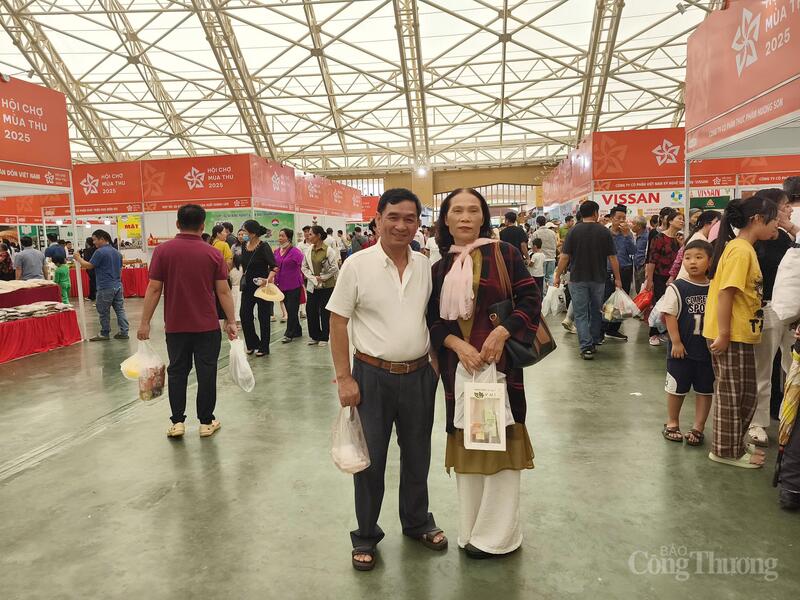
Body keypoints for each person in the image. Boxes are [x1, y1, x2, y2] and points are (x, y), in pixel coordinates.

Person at [327, 188, 446, 571]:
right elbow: (338, 322)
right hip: (371, 377)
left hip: (418, 377)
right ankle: (365, 535)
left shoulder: (426, 265)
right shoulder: (356, 265)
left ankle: (416, 522)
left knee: (417, 455)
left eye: (409, 218)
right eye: (392, 217)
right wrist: (344, 378)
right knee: (370, 460)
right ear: (377, 219)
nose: (401, 225)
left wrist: (434, 362)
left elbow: (432, 318)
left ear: (418, 223)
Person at [428, 187, 540, 559]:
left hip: (499, 371)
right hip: (460, 373)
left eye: (472, 210)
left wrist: (501, 331)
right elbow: (433, 321)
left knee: (501, 446)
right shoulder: (439, 267)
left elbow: (530, 299)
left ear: (483, 216)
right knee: (470, 447)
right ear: (445, 218)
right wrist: (458, 347)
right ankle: (471, 529)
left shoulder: (504, 253)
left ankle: (498, 536)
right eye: (456, 210)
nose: (464, 217)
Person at [137, 204, 237, 439]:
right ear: (203, 226)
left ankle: (177, 422)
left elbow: (153, 289)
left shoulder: (163, 251)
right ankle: (205, 422)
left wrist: (144, 322)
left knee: (178, 372)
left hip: (176, 326)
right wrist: (231, 320)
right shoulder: (213, 253)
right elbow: (223, 291)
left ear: (177, 224)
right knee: (206, 373)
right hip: (206, 326)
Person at [704, 196, 779, 469]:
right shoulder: (740, 250)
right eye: (774, 220)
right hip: (730, 334)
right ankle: (725, 450)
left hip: (738, 333)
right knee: (732, 395)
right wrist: (724, 333)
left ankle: (733, 444)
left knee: (744, 393)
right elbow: (727, 293)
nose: (778, 226)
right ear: (757, 219)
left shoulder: (742, 248)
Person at [750, 189, 798, 447]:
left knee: (792, 366)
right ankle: (757, 422)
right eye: (785, 206)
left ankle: (791, 416)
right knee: (763, 368)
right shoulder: (755, 240)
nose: (790, 209)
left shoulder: (788, 237)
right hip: (766, 309)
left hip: (791, 312)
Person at [660, 240, 714, 447]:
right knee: (676, 388)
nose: (692, 262)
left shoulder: (715, 287)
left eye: (699, 257)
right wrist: (676, 342)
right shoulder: (677, 287)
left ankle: (698, 427)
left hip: (706, 352)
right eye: (688, 258)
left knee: (705, 390)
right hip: (681, 351)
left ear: (709, 261)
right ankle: (672, 422)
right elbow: (670, 314)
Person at [553, 201, 622, 360]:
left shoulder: (573, 231)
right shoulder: (604, 232)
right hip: (599, 278)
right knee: (596, 310)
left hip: (577, 279)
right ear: (595, 213)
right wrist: (618, 278)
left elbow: (564, 256)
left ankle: (586, 347)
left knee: (580, 313)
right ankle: (595, 339)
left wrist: (557, 276)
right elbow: (612, 258)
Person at [73, 230, 129, 341]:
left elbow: (89, 266)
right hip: (117, 285)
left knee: (103, 311)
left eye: (95, 239)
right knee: (120, 310)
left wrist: (78, 258)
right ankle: (124, 331)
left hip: (105, 286)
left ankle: (104, 333)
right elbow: (120, 270)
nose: (94, 242)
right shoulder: (116, 252)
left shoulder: (100, 252)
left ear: (102, 239)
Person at [645, 209, 684, 346]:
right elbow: (652, 260)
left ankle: (666, 331)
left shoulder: (680, 239)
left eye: (682, 219)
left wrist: (681, 244)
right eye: (679, 218)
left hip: (676, 277)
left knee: (672, 305)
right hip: (660, 277)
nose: (682, 221)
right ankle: (653, 333)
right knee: (659, 305)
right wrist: (649, 280)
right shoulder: (659, 238)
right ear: (670, 221)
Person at [239, 219, 277, 357]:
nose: (243, 233)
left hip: (262, 287)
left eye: (245, 230)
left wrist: (267, 279)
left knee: (263, 317)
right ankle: (252, 343)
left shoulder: (263, 246)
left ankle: (264, 347)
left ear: (253, 233)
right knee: (244, 314)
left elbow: (274, 267)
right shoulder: (244, 245)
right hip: (248, 286)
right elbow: (244, 263)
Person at [602, 205, 636, 342]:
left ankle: (614, 329)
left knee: (622, 301)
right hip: (609, 271)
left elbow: (633, 251)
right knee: (609, 301)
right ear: (611, 218)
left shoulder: (627, 234)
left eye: (624, 218)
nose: (621, 221)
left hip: (625, 269)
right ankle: (605, 327)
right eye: (618, 218)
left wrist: (627, 235)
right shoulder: (605, 234)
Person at [301, 225, 339, 347]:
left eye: (311, 234)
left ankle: (325, 336)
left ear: (318, 236)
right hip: (313, 285)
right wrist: (313, 278)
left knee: (325, 312)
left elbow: (334, 268)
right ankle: (314, 336)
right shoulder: (308, 250)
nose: (308, 236)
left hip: (327, 286)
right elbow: (304, 267)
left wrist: (322, 277)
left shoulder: (329, 251)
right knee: (311, 310)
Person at [668, 210, 721, 283]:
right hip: (689, 282)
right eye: (716, 222)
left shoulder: (697, 236)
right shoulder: (699, 239)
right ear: (706, 223)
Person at [273, 228, 304, 343]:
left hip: (294, 285)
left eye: (282, 236)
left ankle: (289, 333)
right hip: (281, 286)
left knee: (292, 310)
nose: (280, 238)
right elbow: (273, 266)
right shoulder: (276, 251)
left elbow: (304, 265)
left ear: (289, 238)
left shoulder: (295, 252)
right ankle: (297, 330)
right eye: (279, 236)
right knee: (289, 309)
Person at [533, 216, 558, 287]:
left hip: (541, 258)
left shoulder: (536, 233)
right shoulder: (552, 233)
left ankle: (544, 295)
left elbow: (532, 245)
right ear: (545, 222)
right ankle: (551, 294)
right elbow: (556, 244)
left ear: (537, 223)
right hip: (552, 257)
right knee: (550, 276)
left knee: (542, 276)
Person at [631, 216, 649, 291]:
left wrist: (644, 264)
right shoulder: (634, 236)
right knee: (638, 289)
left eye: (633, 224)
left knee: (644, 290)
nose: (631, 226)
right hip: (636, 266)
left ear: (639, 226)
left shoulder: (647, 236)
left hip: (643, 267)